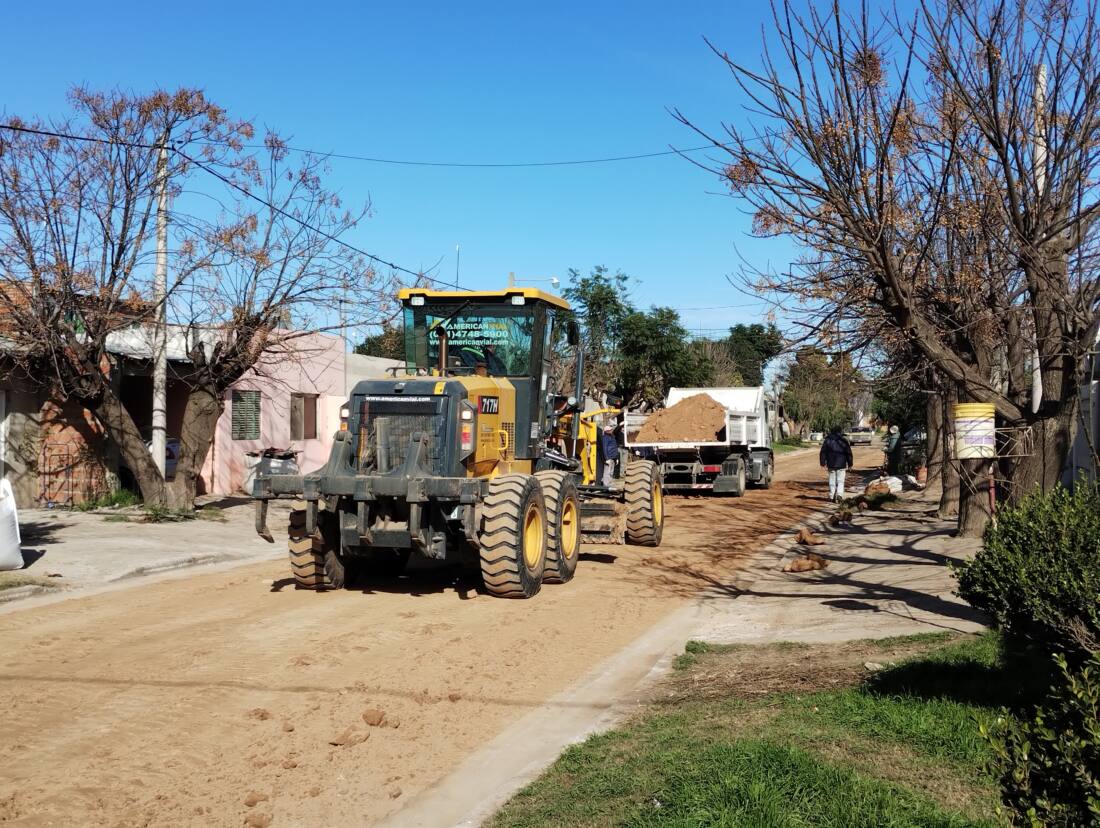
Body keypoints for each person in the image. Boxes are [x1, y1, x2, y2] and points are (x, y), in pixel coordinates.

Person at [820, 425, 854, 502]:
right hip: (841, 464)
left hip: (831, 464)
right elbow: (848, 453)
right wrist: (850, 464)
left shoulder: (827, 440)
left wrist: (822, 463)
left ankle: (832, 496)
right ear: (840, 431)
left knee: (832, 480)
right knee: (840, 481)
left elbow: (823, 452)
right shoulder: (844, 440)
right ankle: (839, 495)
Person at [601, 423, 620, 487]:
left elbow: (615, 447)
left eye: (611, 429)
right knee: (607, 472)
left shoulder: (612, 437)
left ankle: (610, 484)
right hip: (609, 458)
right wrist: (607, 459)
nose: (611, 430)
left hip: (613, 457)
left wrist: (616, 458)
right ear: (607, 431)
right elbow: (605, 448)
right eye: (610, 430)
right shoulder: (605, 438)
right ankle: (606, 485)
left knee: (611, 472)